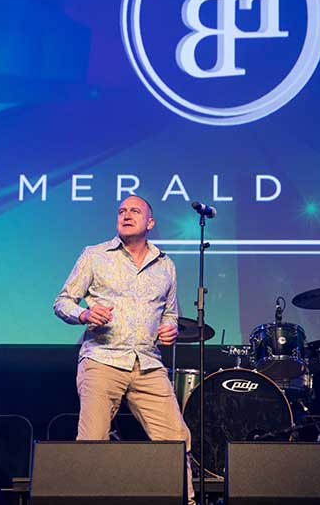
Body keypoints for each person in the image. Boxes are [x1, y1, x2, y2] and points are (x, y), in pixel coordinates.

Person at [53, 195, 195, 504]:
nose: (126, 215)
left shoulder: (165, 265)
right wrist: (84, 314)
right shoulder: (94, 255)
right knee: (92, 442)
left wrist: (170, 328)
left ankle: (186, 501)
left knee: (176, 439)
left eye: (134, 211)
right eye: (121, 211)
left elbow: (170, 313)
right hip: (102, 360)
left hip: (148, 364)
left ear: (150, 222)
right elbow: (62, 302)